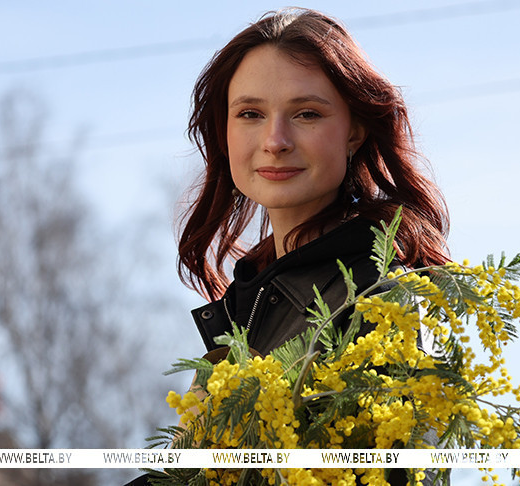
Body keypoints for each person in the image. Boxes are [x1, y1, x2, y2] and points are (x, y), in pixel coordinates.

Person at [128, 7, 450, 485]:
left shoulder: (392, 299)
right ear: (225, 131)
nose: (274, 140)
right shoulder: (244, 307)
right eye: (251, 114)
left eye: (306, 114)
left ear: (355, 130)